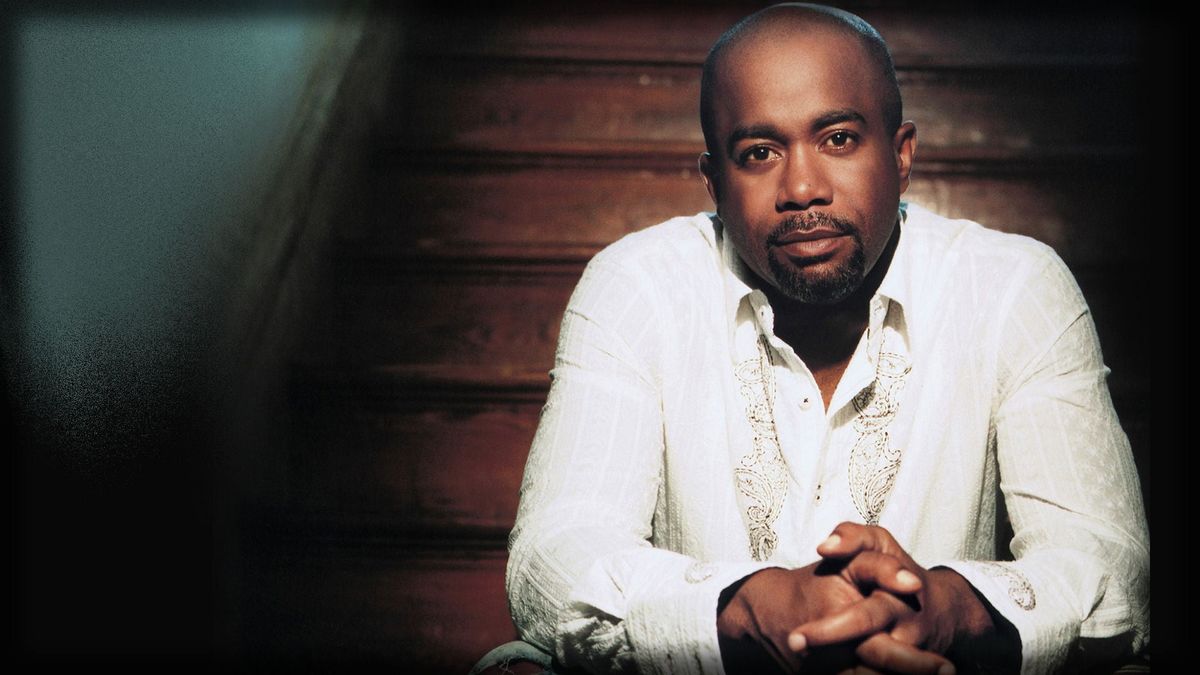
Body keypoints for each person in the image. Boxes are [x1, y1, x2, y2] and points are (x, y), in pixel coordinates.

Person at [495, 4, 1149, 674]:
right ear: (715, 182)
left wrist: (947, 609)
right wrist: (748, 608)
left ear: (901, 155)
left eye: (837, 139)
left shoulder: (1013, 288)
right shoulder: (639, 287)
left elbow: (1105, 563)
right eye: (760, 153)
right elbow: (555, 555)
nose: (802, 188)